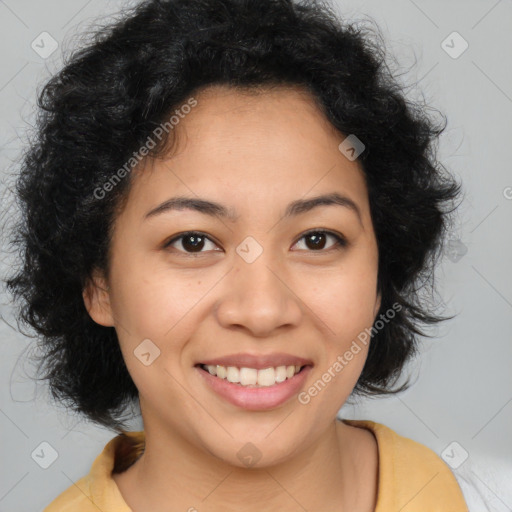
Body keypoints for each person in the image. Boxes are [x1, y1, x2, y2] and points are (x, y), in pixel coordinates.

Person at [5, 0, 469, 510]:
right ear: (99, 283)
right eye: (193, 242)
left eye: (316, 239)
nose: (262, 311)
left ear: (383, 271)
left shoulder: (438, 486)